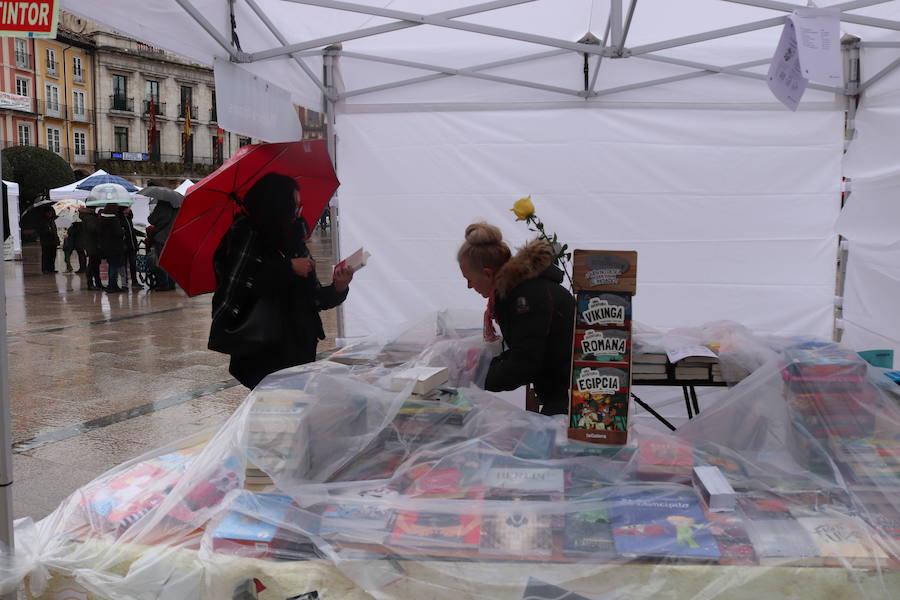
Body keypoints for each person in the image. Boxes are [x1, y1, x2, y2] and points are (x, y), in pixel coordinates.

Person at [210, 173, 353, 389]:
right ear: (276, 204)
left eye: (299, 205)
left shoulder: (295, 238)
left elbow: (314, 299)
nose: (298, 211)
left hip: (299, 348)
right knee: (272, 415)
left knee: (294, 414)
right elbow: (240, 287)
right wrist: (288, 268)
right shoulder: (246, 233)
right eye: (293, 205)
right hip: (263, 349)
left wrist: (338, 287)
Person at [457, 222, 575, 415]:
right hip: (560, 397)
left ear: (487, 274)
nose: (469, 286)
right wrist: (480, 367)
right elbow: (524, 350)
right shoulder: (522, 291)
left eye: (468, 278)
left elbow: (525, 363)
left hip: (573, 404)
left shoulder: (525, 298)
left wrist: (476, 377)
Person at [147, 197, 178, 291]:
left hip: (161, 238)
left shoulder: (160, 207)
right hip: (172, 238)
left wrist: (154, 212)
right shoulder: (176, 208)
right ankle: (172, 283)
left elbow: (151, 220)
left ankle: (164, 284)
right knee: (170, 262)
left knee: (161, 261)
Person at [97, 203, 127, 293]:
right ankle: (111, 286)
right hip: (115, 246)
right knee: (113, 266)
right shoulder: (114, 219)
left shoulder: (101, 219)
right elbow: (118, 233)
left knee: (111, 265)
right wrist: (122, 231)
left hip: (106, 247)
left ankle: (113, 285)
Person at [79, 206, 103, 290]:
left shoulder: (89, 216)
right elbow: (93, 229)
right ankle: (91, 283)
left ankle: (97, 282)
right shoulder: (89, 217)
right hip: (92, 244)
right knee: (93, 264)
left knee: (95, 264)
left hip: (92, 244)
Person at [37, 205, 59, 274]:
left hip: (53, 241)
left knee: (53, 255)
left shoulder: (52, 220)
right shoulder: (42, 221)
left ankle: (51, 268)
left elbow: (55, 230)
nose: (50, 214)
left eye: (51, 212)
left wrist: (57, 239)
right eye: (48, 212)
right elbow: (40, 231)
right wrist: (47, 231)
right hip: (46, 241)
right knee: (46, 255)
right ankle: (45, 269)